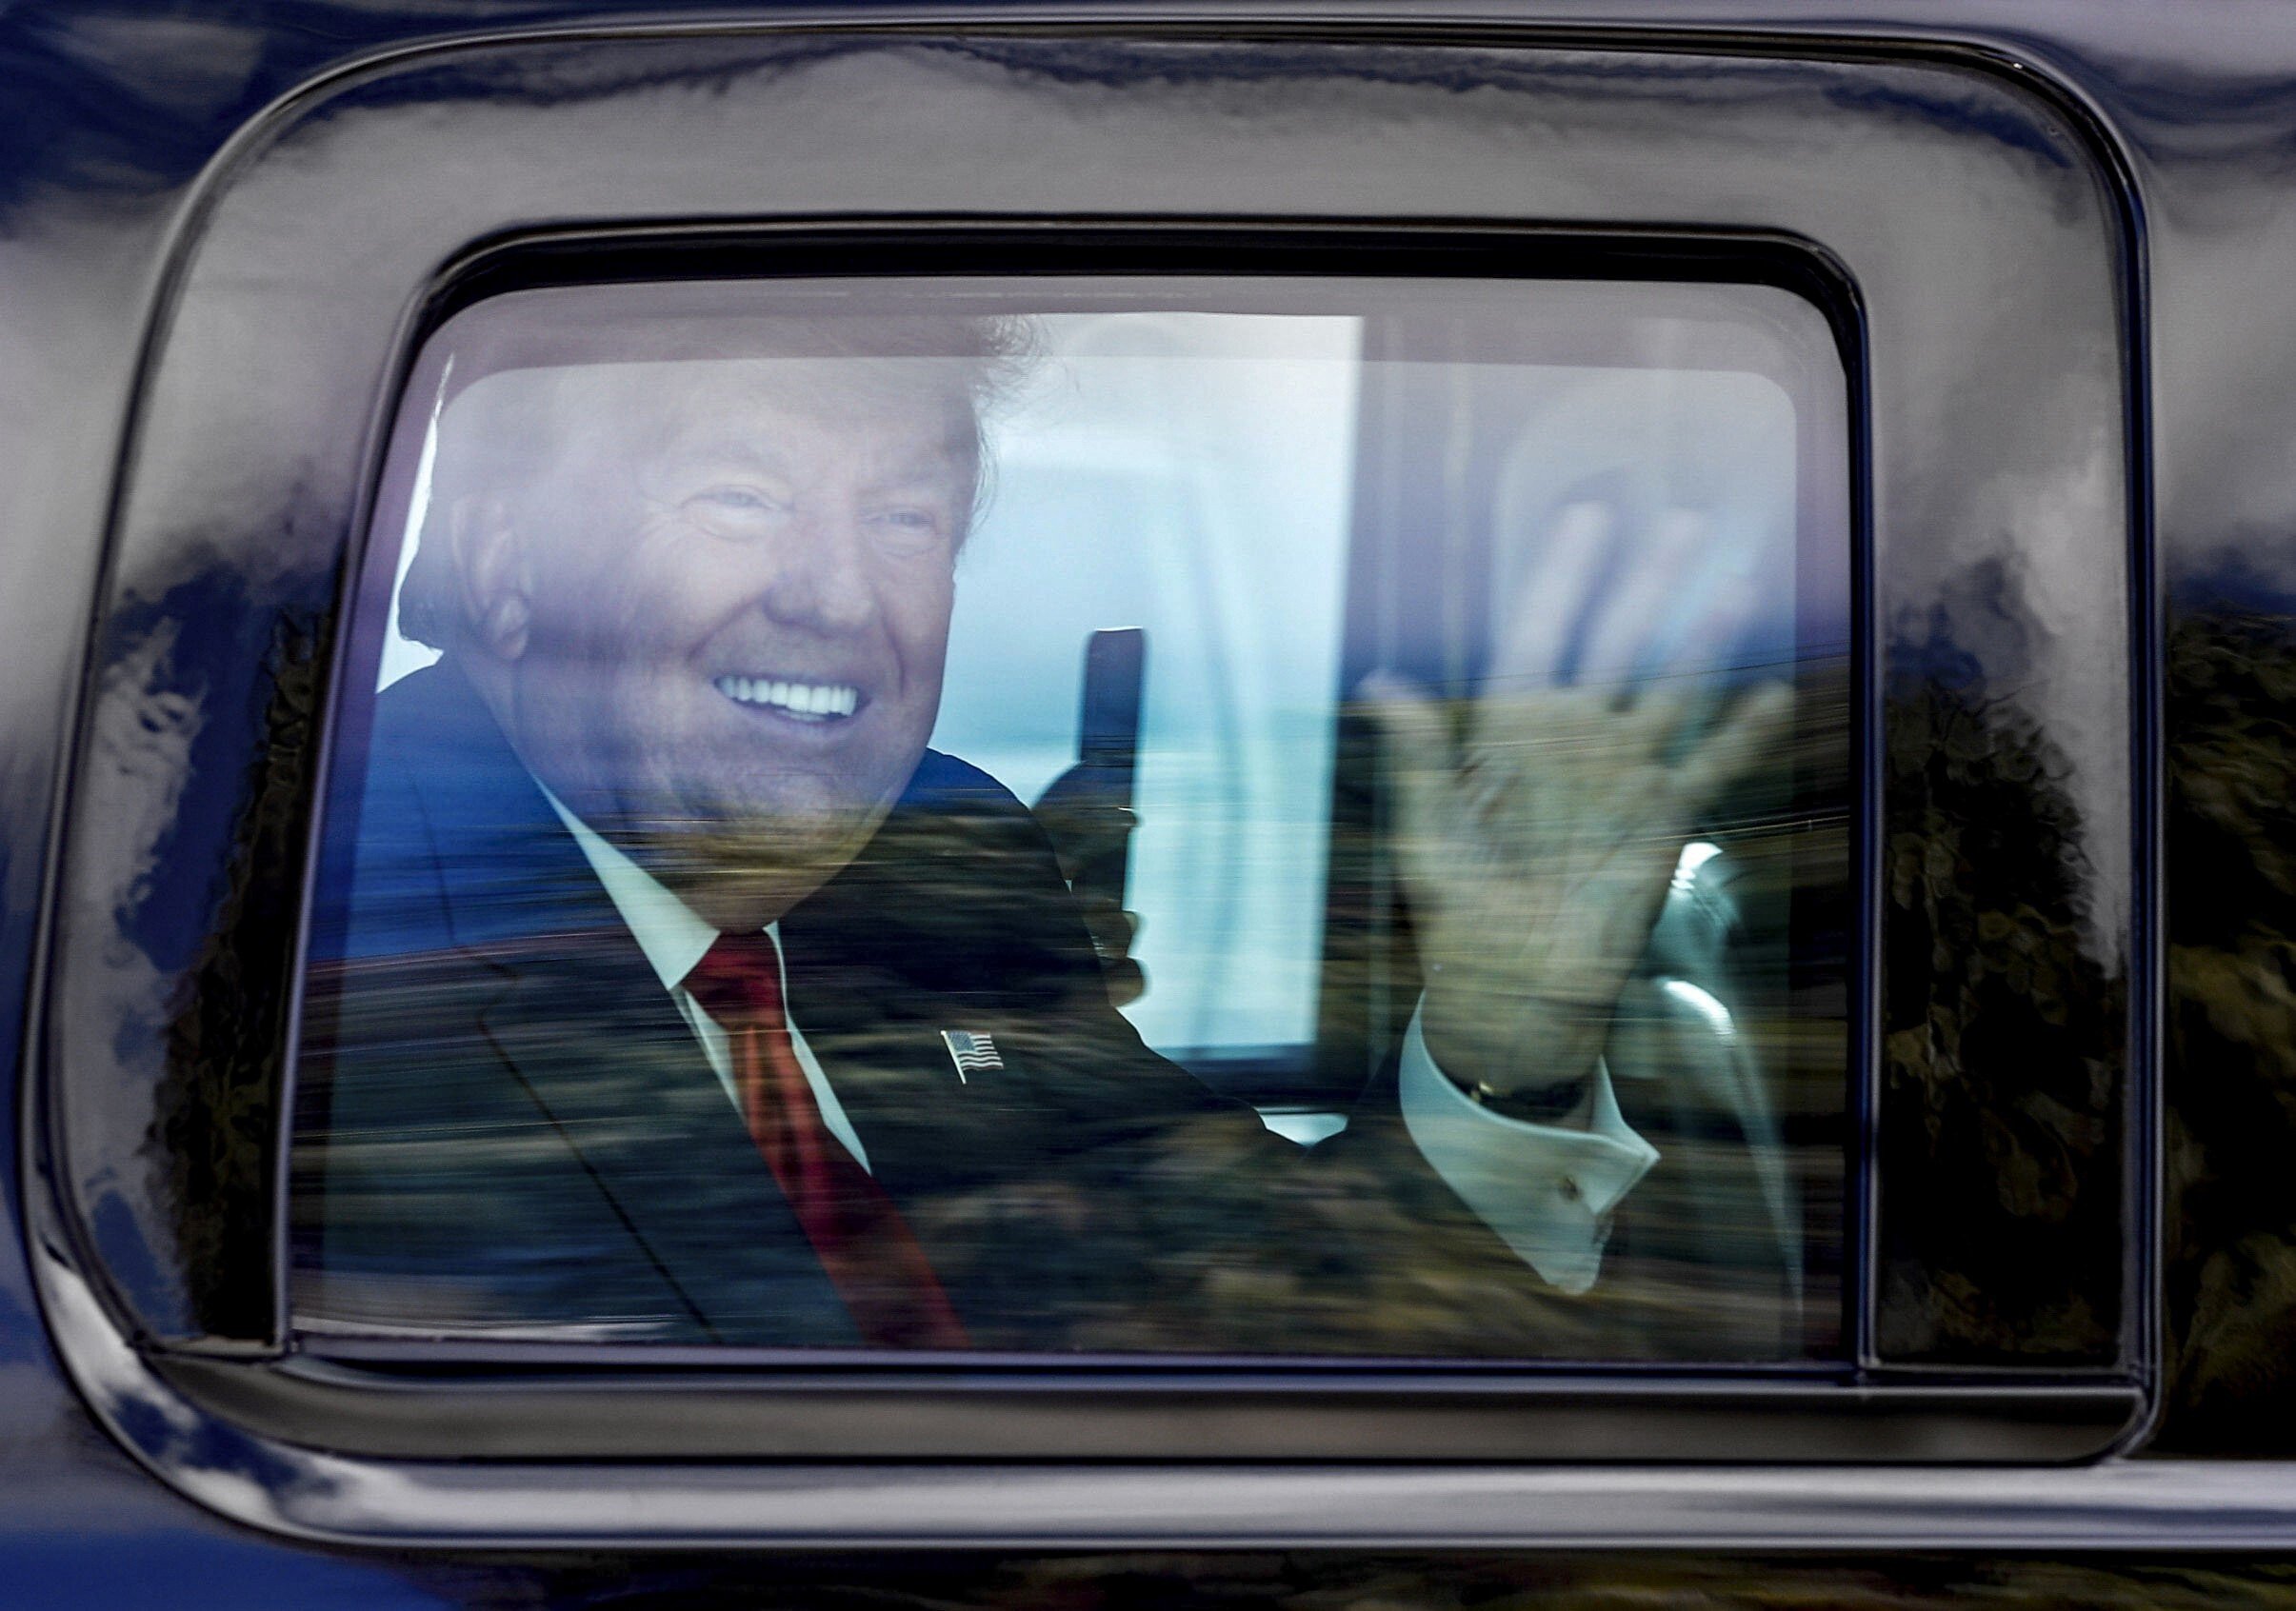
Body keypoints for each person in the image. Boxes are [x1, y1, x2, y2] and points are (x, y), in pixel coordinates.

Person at [298, 308, 1801, 1359]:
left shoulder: (952, 855)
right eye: (743, 496)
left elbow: (1249, 1289)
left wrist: (1498, 1042)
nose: (835, 597)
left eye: (905, 523)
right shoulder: (323, 907)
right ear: (505, 569)